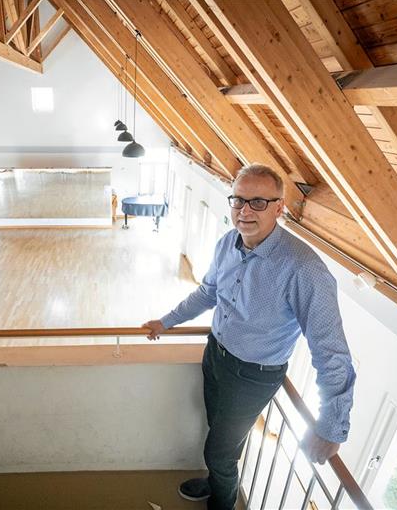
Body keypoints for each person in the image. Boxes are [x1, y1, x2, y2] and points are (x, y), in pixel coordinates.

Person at [143, 164, 355, 510]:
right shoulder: (228, 243)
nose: (244, 211)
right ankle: (217, 481)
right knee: (218, 430)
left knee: (218, 449)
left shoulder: (303, 269)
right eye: (238, 200)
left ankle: (222, 503)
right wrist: (167, 321)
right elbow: (208, 293)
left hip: (254, 376)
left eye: (258, 202)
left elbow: (330, 352)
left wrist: (331, 425)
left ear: (279, 208)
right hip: (216, 356)